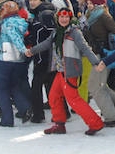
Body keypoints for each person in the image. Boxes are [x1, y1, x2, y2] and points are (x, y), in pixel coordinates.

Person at [27, 7, 105, 136]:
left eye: (66, 17)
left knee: (74, 99)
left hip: (70, 71)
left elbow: (85, 48)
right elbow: (46, 44)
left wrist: (95, 63)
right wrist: (32, 51)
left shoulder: (74, 32)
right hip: (60, 71)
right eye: (61, 17)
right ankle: (59, 124)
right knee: (53, 96)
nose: (64, 19)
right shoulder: (57, 32)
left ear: (70, 18)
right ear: (58, 18)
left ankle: (95, 123)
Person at [83, 0, 115, 128]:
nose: (88, 5)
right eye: (88, 3)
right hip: (95, 54)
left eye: (91, 3)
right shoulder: (91, 16)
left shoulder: (103, 15)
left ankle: (111, 117)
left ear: (98, 4)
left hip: (103, 55)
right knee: (98, 85)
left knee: (95, 87)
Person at [0, 0, 32, 126]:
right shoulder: (22, 22)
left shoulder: (7, 23)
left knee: (4, 89)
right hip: (19, 59)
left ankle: (7, 120)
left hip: (6, 58)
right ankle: (25, 107)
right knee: (15, 86)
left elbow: (14, 37)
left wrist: (24, 49)